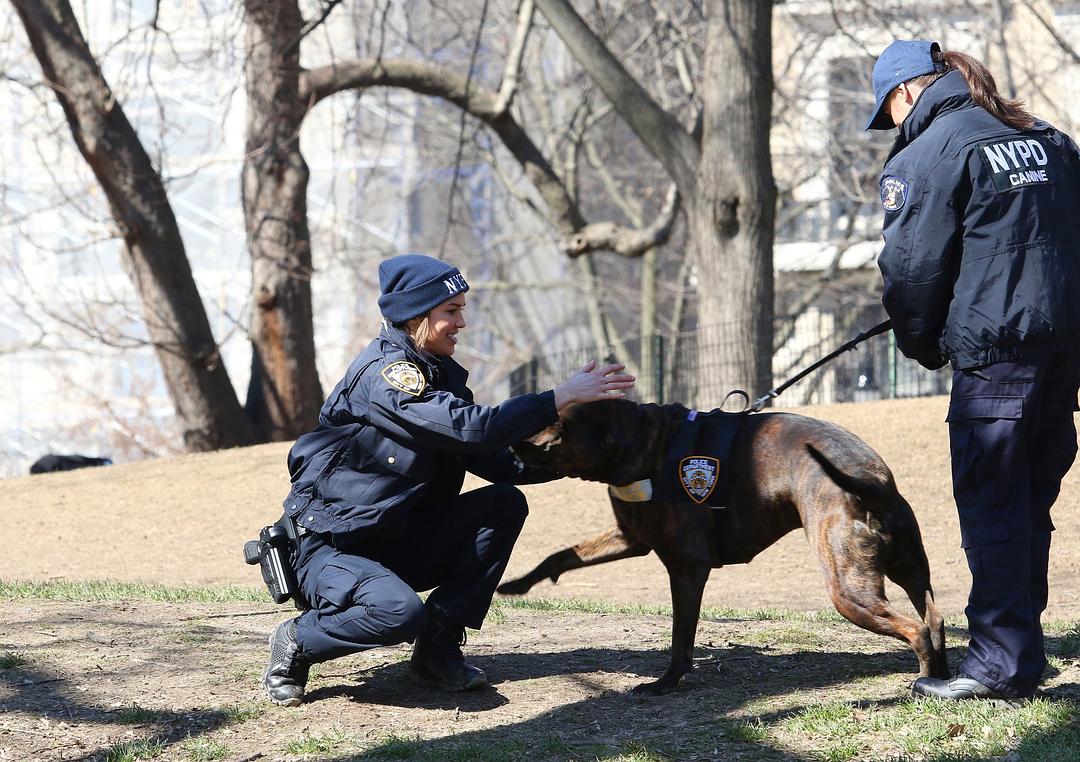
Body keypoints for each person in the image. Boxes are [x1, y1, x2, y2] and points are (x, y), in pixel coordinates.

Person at [261, 253, 635, 706]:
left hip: (393, 540)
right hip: (332, 549)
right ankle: (297, 641)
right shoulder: (384, 376)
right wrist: (559, 397)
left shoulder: (438, 376)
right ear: (416, 316)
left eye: (462, 310)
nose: (462, 323)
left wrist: (586, 461)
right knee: (398, 613)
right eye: (450, 312)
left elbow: (495, 461)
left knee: (503, 504)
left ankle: (437, 652)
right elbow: (469, 428)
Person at [865, 40, 1080, 703]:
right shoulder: (1045, 137)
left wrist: (922, 342)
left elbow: (911, 271)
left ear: (907, 95)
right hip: (1061, 352)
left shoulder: (929, 153)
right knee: (1027, 503)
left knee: (992, 505)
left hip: (995, 361)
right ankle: (1021, 652)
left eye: (891, 114)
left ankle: (998, 665)